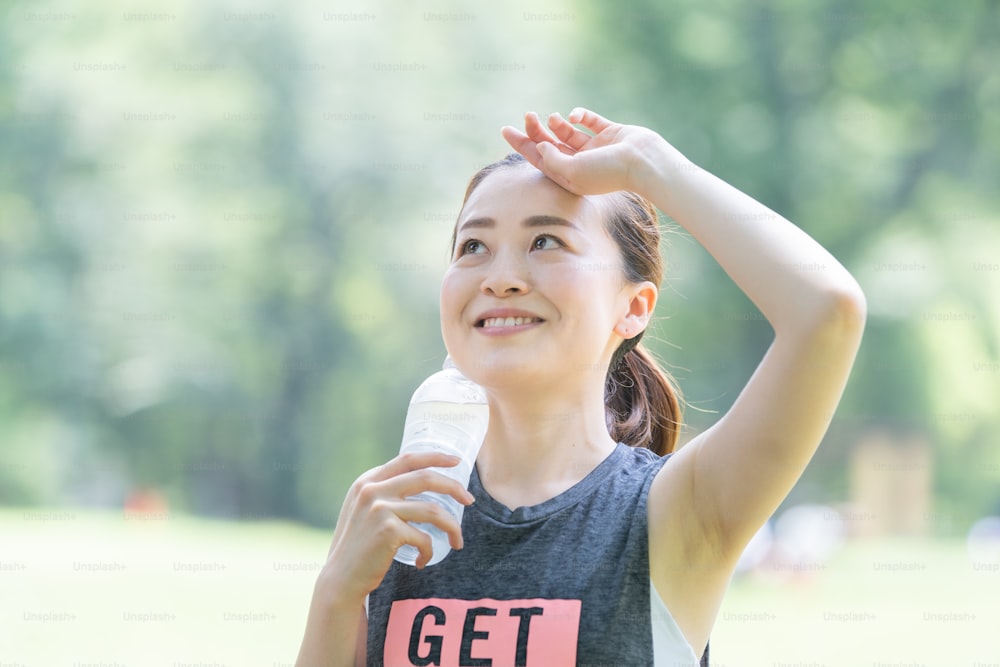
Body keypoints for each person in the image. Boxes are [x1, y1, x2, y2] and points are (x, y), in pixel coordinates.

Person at [296, 108, 867, 666]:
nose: (500, 278)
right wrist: (336, 591)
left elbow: (826, 311)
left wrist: (652, 166)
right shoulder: (395, 514)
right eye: (474, 246)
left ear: (633, 308)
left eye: (546, 242)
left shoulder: (674, 512)